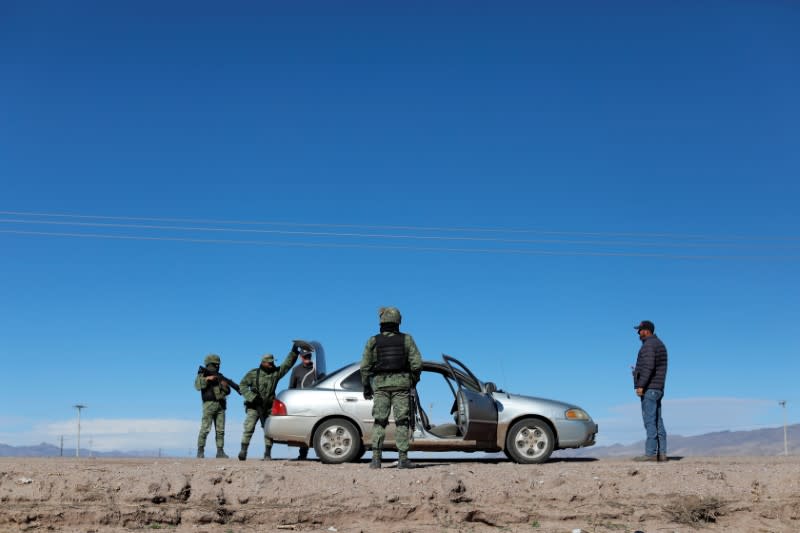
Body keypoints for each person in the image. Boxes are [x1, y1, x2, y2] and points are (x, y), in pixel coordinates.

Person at [360, 306, 423, 469]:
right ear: (398, 321)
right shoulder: (407, 339)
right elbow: (417, 364)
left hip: (380, 386)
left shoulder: (373, 341)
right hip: (401, 385)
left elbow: (365, 367)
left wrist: (366, 386)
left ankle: (375, 460)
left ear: (382, 322)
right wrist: (412, 380)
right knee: (402, 421)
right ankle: (402, 459)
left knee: (379, 422)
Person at [238, 341, 309, 461]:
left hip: (269, 406)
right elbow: (242, 386)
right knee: (249, 428)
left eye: (272, 363)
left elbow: (286, 365)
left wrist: (293, 351)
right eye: (269, 363)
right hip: (254, 406)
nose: (272, 365)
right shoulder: (253, 374)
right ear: (263, 363)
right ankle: (243, 451)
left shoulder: (275, 373)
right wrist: (252, 397)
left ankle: (267, 453)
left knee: (269, 430)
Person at [632, 320, 669, 462]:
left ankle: (651, 454)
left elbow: (648, 367)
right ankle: (662, 453)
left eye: (640, 330)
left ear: (646, 330)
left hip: (650, 388)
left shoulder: (649, 345)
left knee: (650, 421)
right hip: (658, 388)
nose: (638, 333)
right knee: (658, 420)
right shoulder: (659, 344)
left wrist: (641, 385)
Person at [195, 354, 233, 459]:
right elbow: (197, 386)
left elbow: (228, 391)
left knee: (220, 430)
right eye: (216, 364)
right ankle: (200, 451)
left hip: (221, 405)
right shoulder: (202, 375)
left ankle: (220, 452)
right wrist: (207, 379)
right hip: (209, 404)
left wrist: (224, 385)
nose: (217, 366)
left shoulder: (220, 376)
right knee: (205, 429)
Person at [288, 350, 316, 460]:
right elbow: (291, 387)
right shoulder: (296, 370)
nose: (307, 358)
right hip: (301, 402)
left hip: (314, 402)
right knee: (302, 427)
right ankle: (303, 454)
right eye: (305, 356)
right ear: (301, 357)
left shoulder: (316, 369)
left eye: (308, 356)